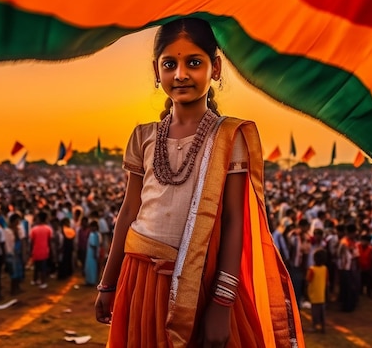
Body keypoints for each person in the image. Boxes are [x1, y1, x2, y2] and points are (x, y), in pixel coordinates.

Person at [94, 18, 303, 347]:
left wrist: (222, 302)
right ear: (156, 71)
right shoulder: (143, 137)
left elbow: (235, 221)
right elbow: (129, 210)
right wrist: (108, 283)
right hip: (139, 278)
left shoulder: (229, 137)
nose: (180, 74)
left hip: (199, 280)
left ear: (215, 68)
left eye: (194, 62)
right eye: (169, 64)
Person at [29, 211, 52, 289]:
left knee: (36, 266)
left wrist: (30, 250)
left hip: (36, 250)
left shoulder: (34, 229)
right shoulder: (48, 229)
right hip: (44, 250)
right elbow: (49, 241)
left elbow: (32, 242)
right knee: (43, 267)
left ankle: (35, 280)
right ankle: (43, 282)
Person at [307, 249, 328, 333]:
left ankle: (315, 326)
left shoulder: (312, 269)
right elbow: (327, 281)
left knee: (315, 312)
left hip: (314, 295)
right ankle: (323, 327)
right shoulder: (325, 269)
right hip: (322, 295)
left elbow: (308, 280)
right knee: (322, 312)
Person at [5, 213, 25, 295]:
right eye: (17, 221)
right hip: (11, 254)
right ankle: (13, 290)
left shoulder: (17, 230)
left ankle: (17, 288)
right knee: (13, 273)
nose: (18, 223)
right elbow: (7, 244)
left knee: (18, 271)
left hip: (17, 253)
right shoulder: (7, 231)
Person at [85, 221, 100, 286]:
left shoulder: (94, 234)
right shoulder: (94, 234)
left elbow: (94, 245)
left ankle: (91, 281)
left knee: (91, 267)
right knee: (89, 266)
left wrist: (95, 253)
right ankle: (89, 280)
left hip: (92, 253)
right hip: (90, 253)